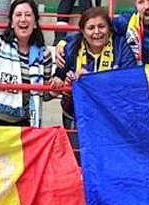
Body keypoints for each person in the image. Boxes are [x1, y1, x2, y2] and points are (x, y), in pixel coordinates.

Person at [52, 8, 137, 152]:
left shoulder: (121, 47)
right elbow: (58, 77)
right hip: (77, 116)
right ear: (83, 32)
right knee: (79, 159)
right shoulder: (71, 48)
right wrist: (61, 82)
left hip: (112, 117)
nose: (97, 32)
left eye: (101, 26)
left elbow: (128, 81)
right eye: (91, 28)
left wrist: (90, 78)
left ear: (109, 29)